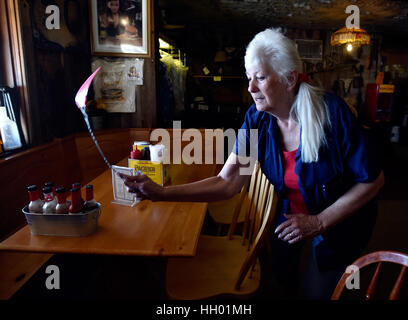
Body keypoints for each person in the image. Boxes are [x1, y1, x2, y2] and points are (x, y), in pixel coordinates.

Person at [119, 28, 384, 299]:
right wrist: (162, 193)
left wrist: (318, 222)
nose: (250, 88)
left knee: (316, 292)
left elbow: (373, 181)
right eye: (249, 78)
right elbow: (228, 182)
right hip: (291, 214)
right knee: (282, 277)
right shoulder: (257, 120)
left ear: (289, 78)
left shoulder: (332, 113)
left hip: (340, 220)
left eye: (260, 77)